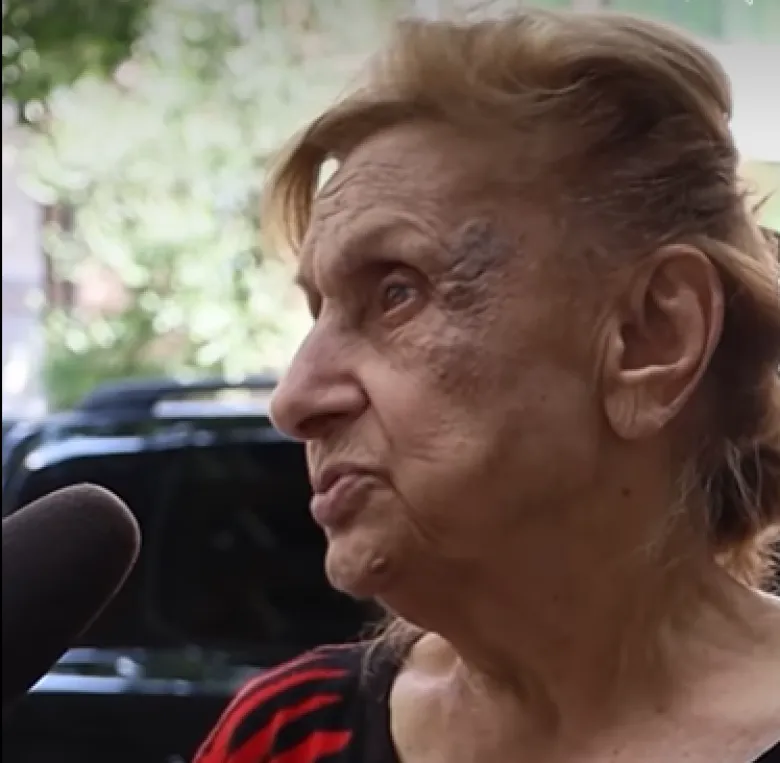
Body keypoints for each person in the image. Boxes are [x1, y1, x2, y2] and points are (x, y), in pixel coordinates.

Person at [194, 8, 780, 763]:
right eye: (317, 313)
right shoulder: (288, 737)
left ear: (650, 337)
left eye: (397, 291)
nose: (294, 400)